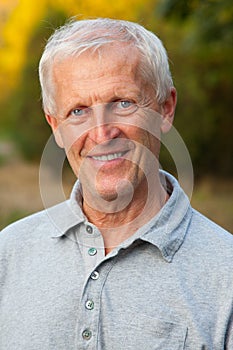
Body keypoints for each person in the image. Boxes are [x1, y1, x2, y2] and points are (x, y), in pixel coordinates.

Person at [0, 18, 232, 350]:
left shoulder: (225, 273)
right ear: (56, 126)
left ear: (165, 109)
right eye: (78, 111)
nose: (102, 133)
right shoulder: (8, 254)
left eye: (123, 103)